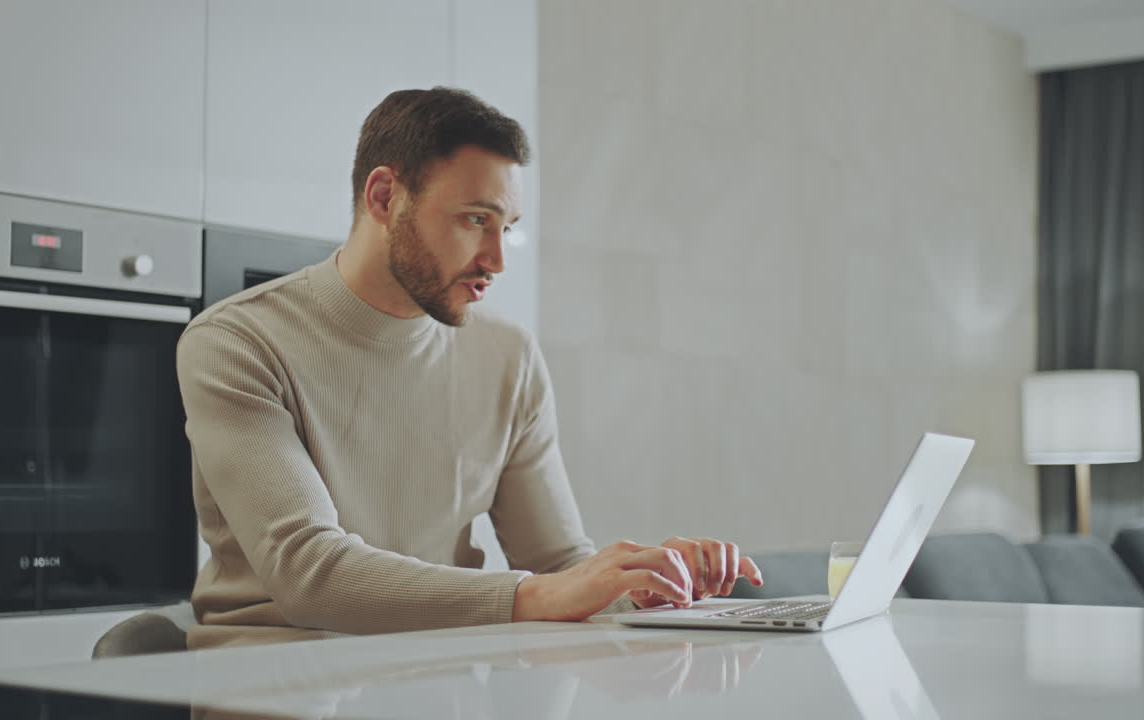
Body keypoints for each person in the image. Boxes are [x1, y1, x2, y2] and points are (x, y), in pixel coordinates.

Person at [177, 87, 762, 649]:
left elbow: (558, 565)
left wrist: (644, 585)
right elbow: (310, 575)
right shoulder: (237, 342)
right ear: (384, 197)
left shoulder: (509, 356)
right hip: (272, 679)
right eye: (475, 220)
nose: (497, 260)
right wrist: (548, 592)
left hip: (439, 678)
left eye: (506, 228)